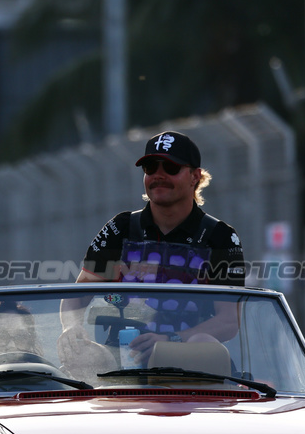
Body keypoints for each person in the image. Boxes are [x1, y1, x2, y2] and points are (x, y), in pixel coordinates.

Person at [72, 130, 246, 360]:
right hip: (123, 363)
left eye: (171, 168)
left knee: (201, 342)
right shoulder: (120, 228)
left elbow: (228, 321)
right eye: (150, 168)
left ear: (195, 176)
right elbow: (78, 294)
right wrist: (71, 330)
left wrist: (172, 340)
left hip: (191, 370)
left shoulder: (221, 237)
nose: (158, 175)